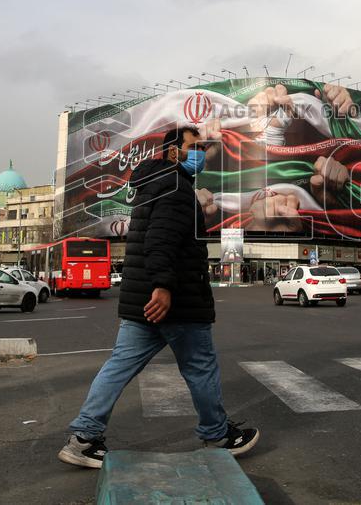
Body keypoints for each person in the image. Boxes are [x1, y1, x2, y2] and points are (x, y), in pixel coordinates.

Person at [58, 126, 259, 469]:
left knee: (119, 366)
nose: (200, 155)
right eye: (194, 147)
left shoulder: (155, 184)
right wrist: (164, 286)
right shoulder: (176, 188)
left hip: (143, 300)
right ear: (172, 151)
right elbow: (161, 241)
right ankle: (217, 434)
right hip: (176, 300)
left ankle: (84, 438)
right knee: (200, 366)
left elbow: (155, 239)